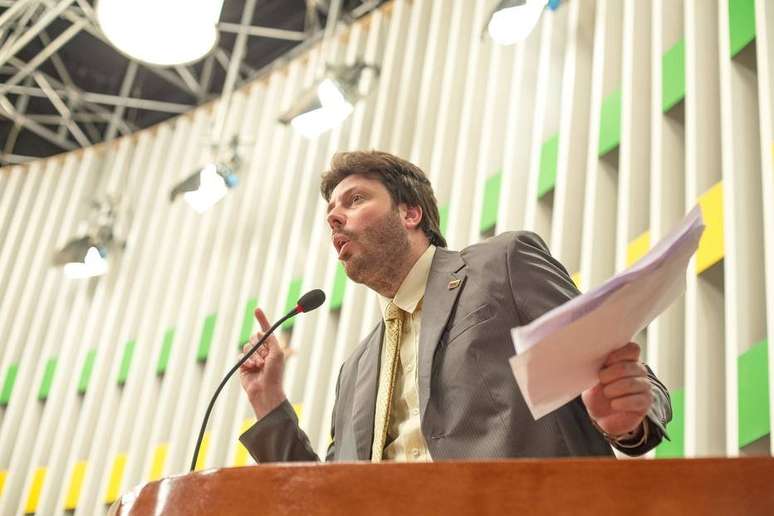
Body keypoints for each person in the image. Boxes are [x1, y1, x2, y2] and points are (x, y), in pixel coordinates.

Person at [238, 150, 671, 462]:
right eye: (330, 211)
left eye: (355, 200)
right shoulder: (354, 371)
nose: (333, 217)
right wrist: (269, 401)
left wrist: (626, 421)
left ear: (411, 214)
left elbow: (626, 378)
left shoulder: (503, 264)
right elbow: (324, 499)